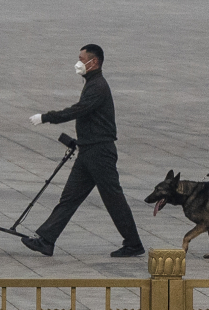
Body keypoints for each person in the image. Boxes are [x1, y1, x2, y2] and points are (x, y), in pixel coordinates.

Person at [20, 44, 144, 258]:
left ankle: (133, 244)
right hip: (88, 151)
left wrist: (46, 117)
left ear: (93, 62)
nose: (78, 63)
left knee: (113, 199)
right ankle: (46, 240)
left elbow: (79, 110)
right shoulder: (92, 83)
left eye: (81, 58)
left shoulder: (98, 86)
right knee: (69, 197)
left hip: (100, 152)